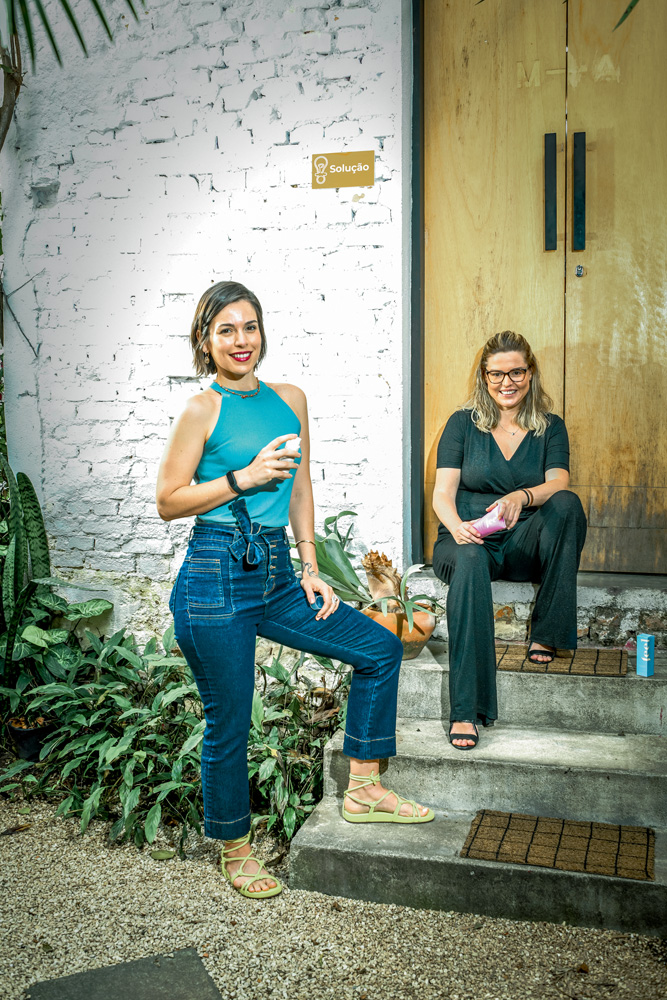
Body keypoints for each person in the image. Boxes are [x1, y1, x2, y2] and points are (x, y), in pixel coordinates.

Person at [156, 281, 433, 899]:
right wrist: (242, 477)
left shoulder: (290, 400)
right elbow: (168, 501)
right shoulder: (203, 410)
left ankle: (363, 787)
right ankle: (235, 847)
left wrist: (310, 564)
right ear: (205, 341)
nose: (240, 340)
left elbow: (301, 487)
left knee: (379, 650)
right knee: (230, 721)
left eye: (249, 326)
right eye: (225, 329)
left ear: (262, 332)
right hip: (214, 576)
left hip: (279, 573)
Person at [431, 331, 587, 750]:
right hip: (467, 538)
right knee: (467, 563)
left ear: (530, 373)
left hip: (521, 541)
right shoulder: (462, 424)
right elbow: (442, 493)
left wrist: (524, 496)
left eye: (516, 371)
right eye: (497, 373)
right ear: (484, 377)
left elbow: (559, 481)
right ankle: (467, 709)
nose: (507, 382)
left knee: (568, 505)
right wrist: (458, 527)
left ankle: (547, 631)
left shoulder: (550, 427)